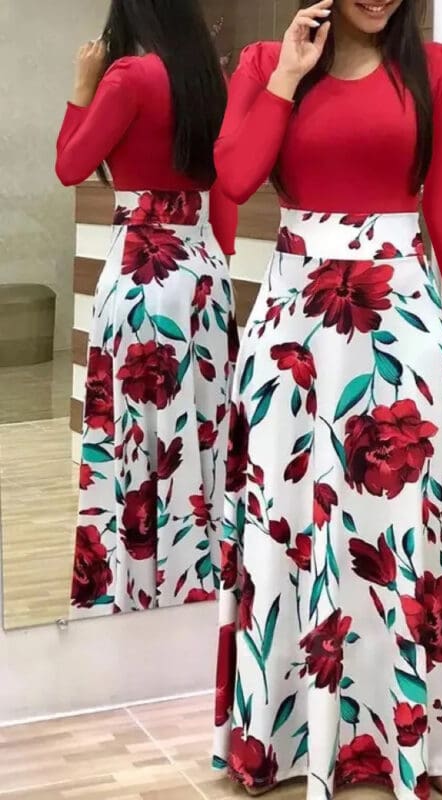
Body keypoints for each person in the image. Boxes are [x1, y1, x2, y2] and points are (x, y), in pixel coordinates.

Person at [212, 0, 442, 798]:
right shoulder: (261, 64)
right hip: (295, 330)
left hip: (406, 315)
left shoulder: (437, 69)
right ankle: (285, 739)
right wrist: (287, 73)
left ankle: (436, 741)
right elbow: (237, 177)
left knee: (412, 523)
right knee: (296, 523)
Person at [56, 0, 238, 617]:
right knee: (202, 435)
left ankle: (136, 593)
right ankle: (200, 590)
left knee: (137, 437)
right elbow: (226, 190)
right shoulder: (208, 77)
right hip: (204, 274)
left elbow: (70, 165)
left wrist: (81, 88)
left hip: (141, 272)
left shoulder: (128, 77)